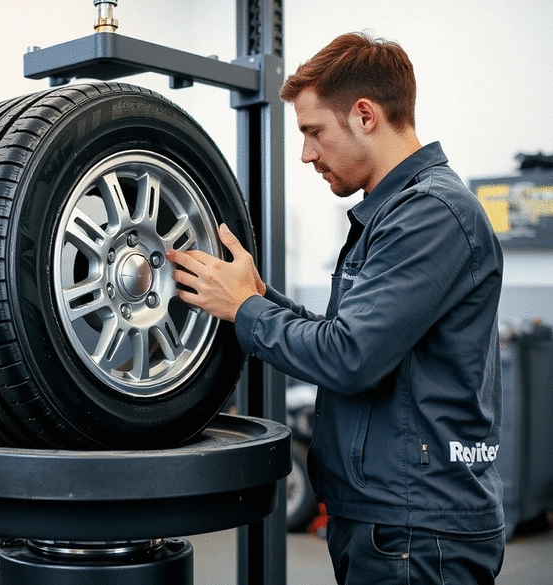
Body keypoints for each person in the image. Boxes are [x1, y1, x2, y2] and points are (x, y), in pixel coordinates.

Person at [167, 31, 505, 584]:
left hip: (416, 530)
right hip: (388, 520)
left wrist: (249, 310)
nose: (305, 154)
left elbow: (349, 357)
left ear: (365, 115)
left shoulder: (432, 216)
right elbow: (344, 335)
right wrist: (258, 296)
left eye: (313, 131)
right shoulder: (393, 212)